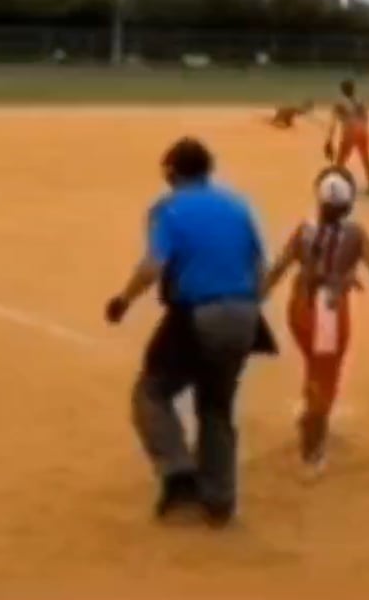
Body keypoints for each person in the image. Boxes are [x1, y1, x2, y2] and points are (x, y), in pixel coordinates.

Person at [103, 138, 274, 528]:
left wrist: (123, 300)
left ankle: (178, 472)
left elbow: (153, 266)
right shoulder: (237, 205)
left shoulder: (170, 209)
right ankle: (220, 500)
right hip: (245, 316)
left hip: (197, 314)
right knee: (216, 407)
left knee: (151, 393)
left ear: (172, 172)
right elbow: (261, 271)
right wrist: (241, 309)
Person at [261, 166, 369, 472]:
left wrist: (254, 300)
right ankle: (311, 446)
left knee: (313, 364)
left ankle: (311, 411)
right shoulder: (355, 235)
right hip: (328, 312)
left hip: (299, 309)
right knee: (326, 378)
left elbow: (277, 269)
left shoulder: (303, 231)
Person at [323, 79, 369, 195]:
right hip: (363, 133)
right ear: (353, 90)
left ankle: (335, 186)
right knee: (365, 159)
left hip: (349, 134)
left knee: (340, 162)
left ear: (342, 90)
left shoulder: (339, 104)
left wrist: (329, 140)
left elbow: (333, 123)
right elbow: (365, 118)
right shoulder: (360, 102)